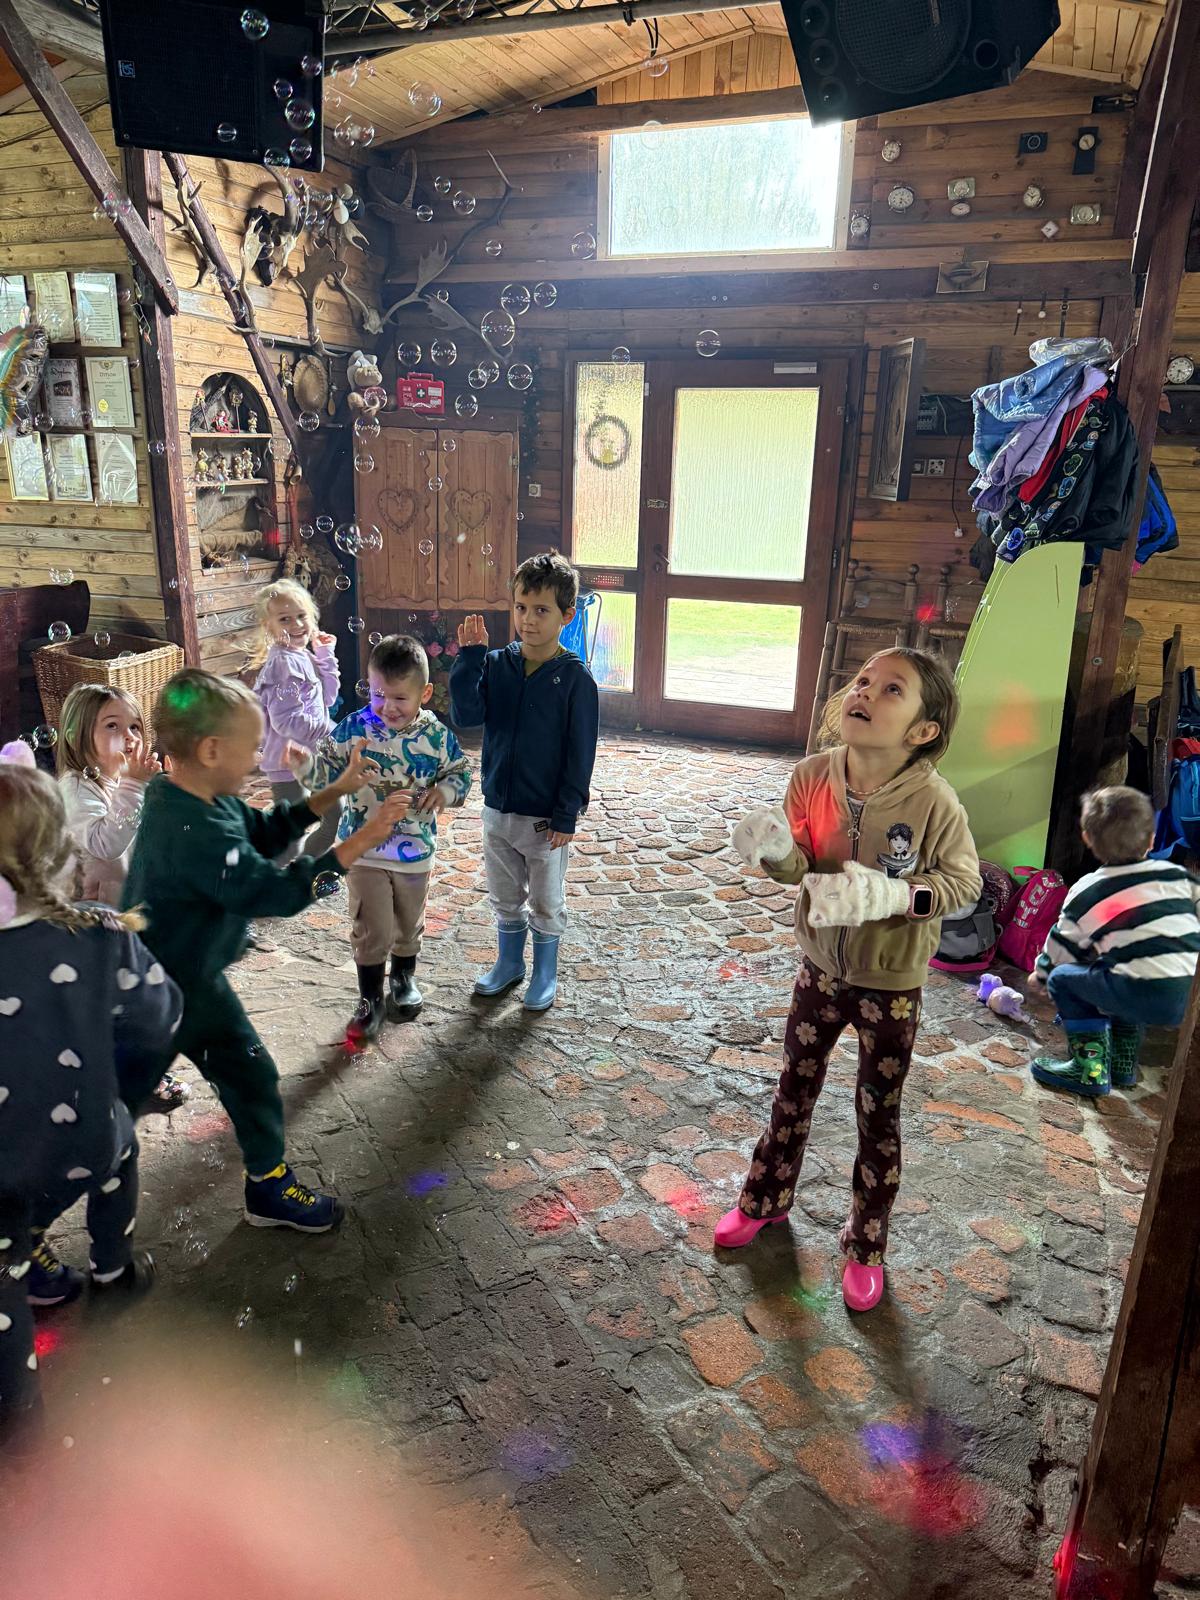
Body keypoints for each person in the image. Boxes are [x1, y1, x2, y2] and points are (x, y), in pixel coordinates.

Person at [721, 648, 981, 1313]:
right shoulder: (811, 776)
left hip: (891, 984)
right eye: (863, 680)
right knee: (793, 1089)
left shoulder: (935, 802)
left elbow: (964, 884)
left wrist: (896, 896)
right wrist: (778, 854)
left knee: (878, 1112)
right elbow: (802, 864)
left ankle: (866, 1242)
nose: (865, 691)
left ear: (923, 730)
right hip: (821, 970)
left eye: (892, 689)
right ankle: (765, 1198)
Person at [122, 669, 409, 1232]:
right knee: (105, 1110)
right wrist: (360, 841)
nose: (259, 757)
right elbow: (276, 892)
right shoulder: (196, 830)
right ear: (211, 750)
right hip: (160, 993)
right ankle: (24, 1226)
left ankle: (267, 1184)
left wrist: (335, 790)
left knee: (249, 1076)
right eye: (251, 747)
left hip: (190, 982)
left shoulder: (191, 797)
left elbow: (268, 832)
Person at [0, 755, 182, 1445]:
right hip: (83, 1139)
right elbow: (159, 1018)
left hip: (1, 1172)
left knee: (2, 1276)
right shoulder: (101, 931)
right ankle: (112, 1272)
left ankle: (21, 1422)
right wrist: (121, 1082)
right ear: (58, 849)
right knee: (119, 1151)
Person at [449, 551, 599, 1012]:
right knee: (505, 895)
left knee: (547, 900)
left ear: (566, 616)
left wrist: (567, 813)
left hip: (545, 819)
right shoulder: (496, 664)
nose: (528, 620)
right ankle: (509, 963)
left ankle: (544, 972)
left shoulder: (575, 679)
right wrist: (470, 659)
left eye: (541, 610)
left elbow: (580, 754)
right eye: (521, 607)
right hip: (498, 808)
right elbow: (466, 716)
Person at [315, 634, 471, 1045]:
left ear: (425, 694)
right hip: (363, 847)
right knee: (372, 926)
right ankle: (369, 998)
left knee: (407, 920)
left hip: (415, 850)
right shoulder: (355, 727)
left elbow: (460, 773)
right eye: (379, 694)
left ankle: (403, 976)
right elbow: (324, 767)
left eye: (400, 697)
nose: (388, 707)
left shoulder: (436, 737)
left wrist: (445, 791)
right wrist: (306, 766)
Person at [56, 683, 188, 1115]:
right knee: (117, 1004)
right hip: (91, 921)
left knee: (132, 999)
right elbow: (106, 842)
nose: (129, 736)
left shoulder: (118, 780)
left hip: (123, 911)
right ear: (79, 735)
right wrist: (134, 787)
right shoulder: (76, 789)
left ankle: (132, 1071)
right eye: (112, 726)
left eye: (135, 726)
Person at [1030, 785, 1200, 1097]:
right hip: (1187, 998)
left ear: (1087, 839)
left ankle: (1089, 1069)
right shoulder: (1178, 878)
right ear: (1152, 840)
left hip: (1140, 992)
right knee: (1128, 966)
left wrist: (1041, 974)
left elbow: (1063, 945)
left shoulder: (1088, 889)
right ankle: (1122, 1063)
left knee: (1064, 979)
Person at [250, 578, 342, 865]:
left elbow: (328, 698)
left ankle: (301, 870)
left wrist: (325, 655)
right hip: (287, 765)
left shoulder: (302, 656)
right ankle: (272, 876)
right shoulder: (283, 664)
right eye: (285, 619)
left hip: (312, 757)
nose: (297, 624)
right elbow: (286, 722)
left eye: (301, 615)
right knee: (290, 839)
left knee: (334, 813)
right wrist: (332, 732)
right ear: (269, 627)